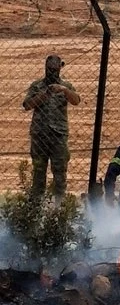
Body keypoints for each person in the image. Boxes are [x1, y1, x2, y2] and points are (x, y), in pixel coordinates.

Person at [22, 54, 80, 200]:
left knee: (60, 173)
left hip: (58, 135)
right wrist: (45, 94)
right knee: (39, 172)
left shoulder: (66, 86)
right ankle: (36, 206)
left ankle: (58, 207)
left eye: (55, 69)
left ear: (60, 68)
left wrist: (64, 91)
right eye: (49, 69)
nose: (52, 72)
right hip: (40, 134)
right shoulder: (37, 86)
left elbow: (76, 101)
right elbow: (28, 105)